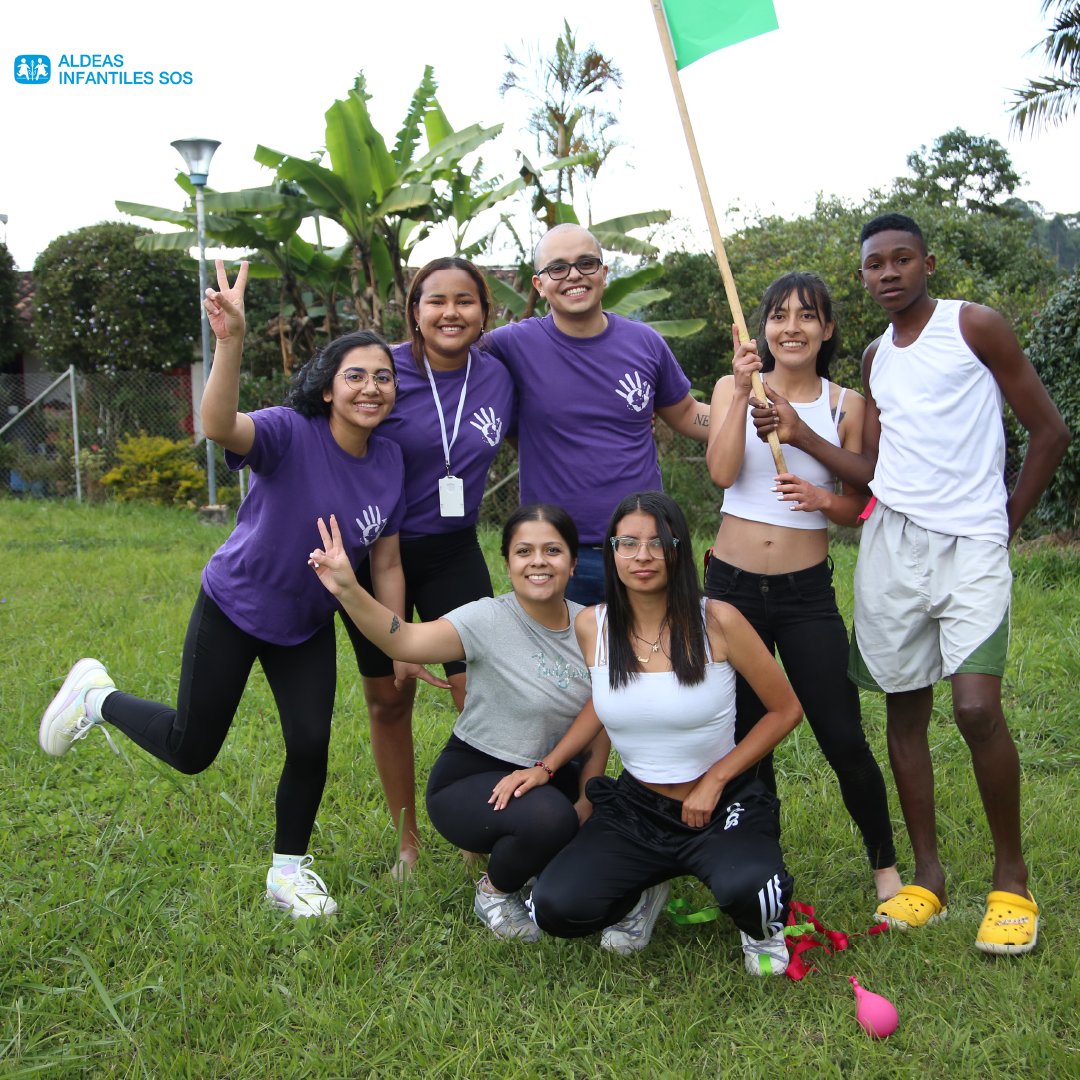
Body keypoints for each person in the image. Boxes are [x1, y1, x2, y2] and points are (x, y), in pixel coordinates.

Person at [38, 261, 410, 919]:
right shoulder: (291, 433)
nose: (371, 387)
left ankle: (287, 875)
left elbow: (384, 558)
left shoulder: (390, 460)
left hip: (305, 621)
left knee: (310, 743)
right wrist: (230, 341)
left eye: (384, 376)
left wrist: (399, 639)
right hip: (237, 604)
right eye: (355, 374)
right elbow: (218, 426)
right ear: (327, 389)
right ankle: (97, 696)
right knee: (190, 749)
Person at [751, 213, 1070, 955]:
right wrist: (801, 438)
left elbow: (1048, 431)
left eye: (901, 260)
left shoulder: (976, 326)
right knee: (904, 710)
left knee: (977, 708)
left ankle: (1012, 885)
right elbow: (880, 472)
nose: (888, 273)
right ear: (863, 277)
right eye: (874, 265)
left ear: (927, 263)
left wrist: (1004, 521)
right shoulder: (874, 359)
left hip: (971, 547)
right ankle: (926, 880)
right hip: (891, 543)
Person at [494, 492, 803, 974]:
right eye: (628, 543)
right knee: (555, 906)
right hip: (638, 808)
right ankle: (646, 887)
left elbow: (785, 710)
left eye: (657, 543)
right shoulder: (593, 624)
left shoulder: (718, 620)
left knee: (757, 899)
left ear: (677, 549)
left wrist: (717, 779)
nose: (642, 556)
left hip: (718, 803)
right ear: (611, 551)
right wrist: (547, 766)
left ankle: (758, 929)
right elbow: (605, 703)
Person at [307, 503, 606, 942]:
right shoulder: (486, 617)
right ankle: (494, 892)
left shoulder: (592, 626)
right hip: (474, 777)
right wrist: (350, 590)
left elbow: (601, 717)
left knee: (607, 823)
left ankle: (538, 865)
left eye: (552, 550)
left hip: (552, 774)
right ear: (507, 563)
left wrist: (587, 796)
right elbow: (403, 637)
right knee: (549, 821)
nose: (538, 561)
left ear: (573, 561)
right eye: (524, 551)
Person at [704, 271, 901, 904]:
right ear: (759, 328)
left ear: (828, 329)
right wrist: (737, 395)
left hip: (804, 593)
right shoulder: (734, 388)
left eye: (807, 316)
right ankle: (757, 868)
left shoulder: (847, 405)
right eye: (780, 315)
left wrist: (818, 495)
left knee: (840, 730)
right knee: (742, 732)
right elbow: (722, 473)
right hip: (729, 591)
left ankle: (886, 869)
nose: (792, 327)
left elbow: (857, 505)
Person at [343, 257, 516, 875]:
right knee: (390, 696)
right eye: (435, 300)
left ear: (483, 313)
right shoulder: (381, 373)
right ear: (413, 311)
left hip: (453, 549)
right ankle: (407, 843)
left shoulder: (498, 376)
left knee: (479, 694)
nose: (450, 312)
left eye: (465, 301)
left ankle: (476, 830)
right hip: (377, 554)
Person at [483, 223, 711, 604]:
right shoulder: (512, 344)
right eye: (558, 267)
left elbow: (688, 414)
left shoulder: (645, 343)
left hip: (641, 547)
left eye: (586, 263)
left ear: (604, 274)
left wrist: (750, 415)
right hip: (556, 551)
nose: (574, 275)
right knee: (563, 664)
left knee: (648, 659)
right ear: (539, 285)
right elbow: (450, 358)